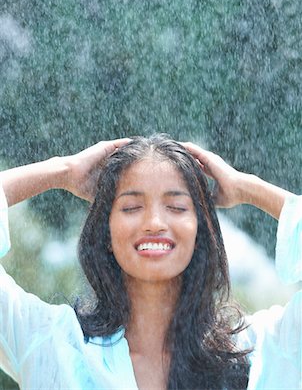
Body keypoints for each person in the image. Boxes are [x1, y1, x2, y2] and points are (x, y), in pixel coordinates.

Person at [0, 134, 301, 390]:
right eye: (131, 207)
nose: (154, 222)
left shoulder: (256, 351)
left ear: (201, 230)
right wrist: (61, 171)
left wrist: (247, 187)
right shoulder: (51, 343)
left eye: (176, 206)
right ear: (106, 230)